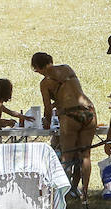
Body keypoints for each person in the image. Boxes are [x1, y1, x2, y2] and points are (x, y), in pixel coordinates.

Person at [32, 52, 98, 198]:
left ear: (38, 67)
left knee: (67, 156)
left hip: (70, 115)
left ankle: (62, 193)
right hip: (89, 111)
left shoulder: (45, 83)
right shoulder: (67, 68)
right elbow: (70, 92)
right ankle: (84, 193)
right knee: (85, 155)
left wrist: (47, 121)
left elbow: (48, 109)